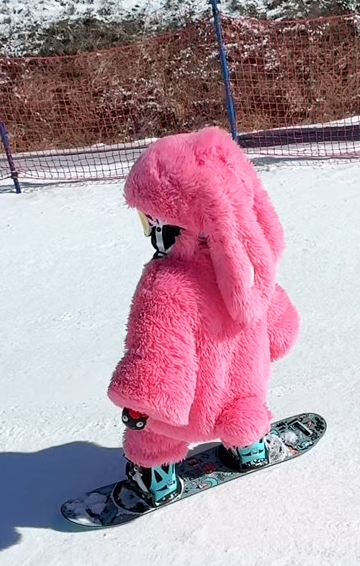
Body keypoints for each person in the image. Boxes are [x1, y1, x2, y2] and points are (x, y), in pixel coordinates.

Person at [108, 127, 301, 510]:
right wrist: (276, 336)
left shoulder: (166, 284)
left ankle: (156, 480)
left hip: (191, 409)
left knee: (155, 438)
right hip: (242, 395)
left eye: (149, 221)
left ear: (170, 224)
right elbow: (274, 321)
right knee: (246, 410)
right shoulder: (247, 268)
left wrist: (141, 404)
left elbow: (158, 354)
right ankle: (249, 446)